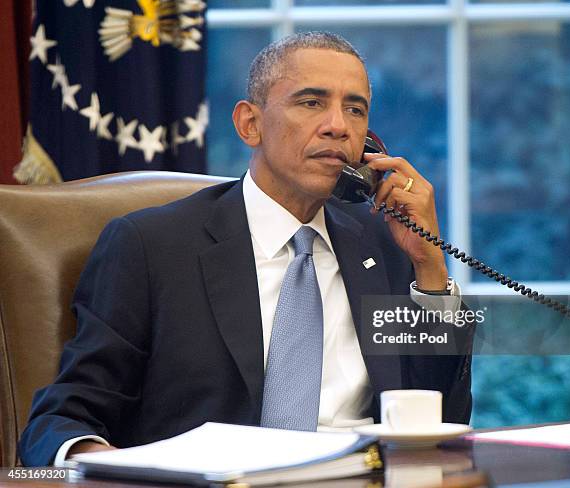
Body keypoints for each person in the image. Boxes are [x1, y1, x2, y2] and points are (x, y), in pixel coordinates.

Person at [19, 31, 472, 467]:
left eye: (355, 110)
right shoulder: (150, 247)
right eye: (312, 102)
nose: (338, 126)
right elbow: (61, 419)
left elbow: (441, 417)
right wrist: (119, 471)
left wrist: (430, 266)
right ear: (249, 124)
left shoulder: (383, 243)